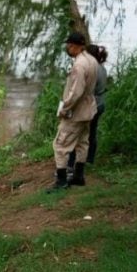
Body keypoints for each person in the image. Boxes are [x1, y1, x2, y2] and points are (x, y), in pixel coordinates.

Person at [50, 31, 98, 190]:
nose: (67, 49)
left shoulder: (78, 65)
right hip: (89, 109)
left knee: (61, 145)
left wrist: (64, 109)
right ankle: (79, 176)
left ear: (73, 46)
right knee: (83, 142)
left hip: (77, 112)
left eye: (68, 46)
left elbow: (75, 93)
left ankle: (61, 181)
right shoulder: (92, 60)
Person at [67, 44, 108, 169]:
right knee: (92, 133)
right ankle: (89, 160)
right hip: (100, 103)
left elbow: (82, 90)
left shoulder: (90, 69)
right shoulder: (102, 68)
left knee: (77, 133)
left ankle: (71, 163)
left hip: (90, 104)